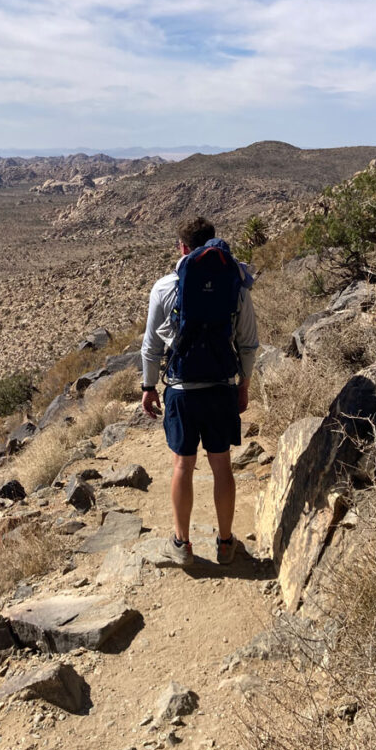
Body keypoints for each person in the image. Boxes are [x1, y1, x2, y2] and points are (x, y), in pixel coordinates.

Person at [141, 216, 259, 566]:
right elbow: (249, 344)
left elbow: (151, 347)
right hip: (221, 386)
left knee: (183, 465)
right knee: (221, 465)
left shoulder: (164, 287)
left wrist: (149, 387)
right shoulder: (235, 283)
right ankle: (225, 544)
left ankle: (182, 545)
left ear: (182, 247)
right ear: (213, 242)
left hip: (181, 390)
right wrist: (244, 385)